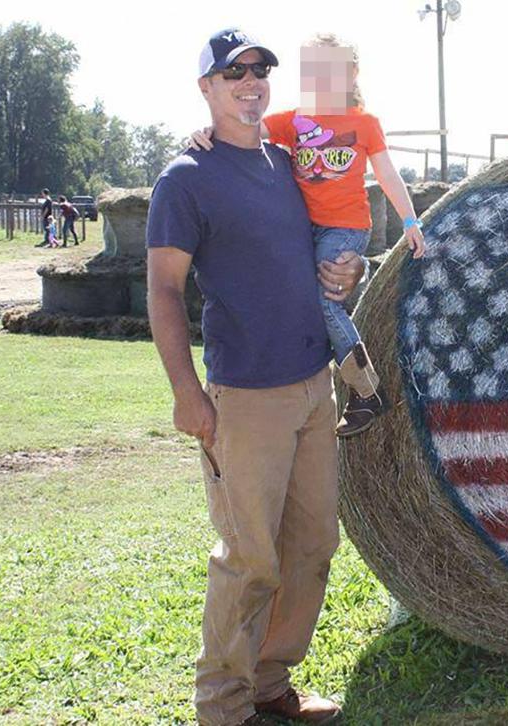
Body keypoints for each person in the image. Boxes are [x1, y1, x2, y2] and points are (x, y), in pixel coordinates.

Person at [146, 28, 365, 726]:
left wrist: (346, 270)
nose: (250, 82)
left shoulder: (287, 161)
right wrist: (185, 390)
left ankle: (270, 681)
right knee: (249, 558)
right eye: (232, 73)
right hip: (246, 398)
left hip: (312, 383)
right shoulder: (186, 179)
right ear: (207, 88)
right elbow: (164, 291)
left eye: (259, 71)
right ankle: (222, 705)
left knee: (312, 545)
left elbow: (323, 241)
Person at [190, 33, 423, 438]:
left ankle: (366, 391)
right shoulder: (293, 120)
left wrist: (410, 221)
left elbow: (387, 174)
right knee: (305, 300)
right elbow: (245, 128)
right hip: (305, 228)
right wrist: (205, 133)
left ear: (352, 75)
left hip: (346, 226)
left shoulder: (364, 124)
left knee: (327, 303)